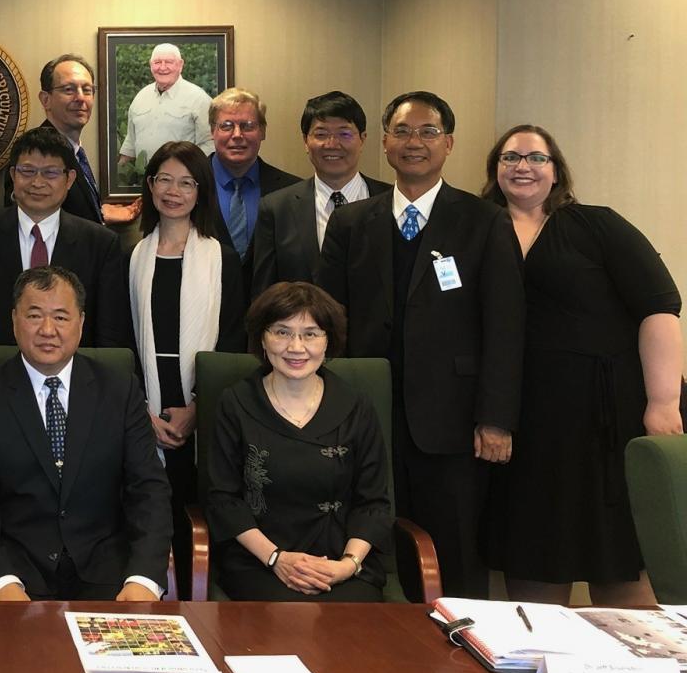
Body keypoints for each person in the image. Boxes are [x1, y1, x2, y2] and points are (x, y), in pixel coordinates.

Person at [315, 90, 522, 599]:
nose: (414, 142)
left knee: (455, 556)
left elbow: (506, 326)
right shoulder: (351, 221)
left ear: (449, 144)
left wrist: (495, 418)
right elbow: (326, 320)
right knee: (365, 544)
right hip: (365, 416)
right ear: (384, 142)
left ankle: (462, 651)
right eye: (402, 131)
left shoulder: (484, 221)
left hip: (452, 423)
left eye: (428, 132)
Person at [480, 125, 683, 606]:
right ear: (494, 171)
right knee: (533, 550)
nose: (522, 166)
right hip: (522, 420)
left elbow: (658, 307)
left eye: (536, 157)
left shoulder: (597, 224)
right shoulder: (476, 229)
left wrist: (663, 401)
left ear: (557, 171)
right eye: (510, 157)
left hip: (607, 417)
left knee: (618, 553)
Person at [0, 266, 171, 601]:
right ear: (14, 321)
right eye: (34, 315)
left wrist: (142, 578)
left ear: (81, 323)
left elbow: (149, 489)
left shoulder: (119, 390)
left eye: (61, 317)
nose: (47, 330)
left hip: (108, 573)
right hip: (16, 573)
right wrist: (1, 581)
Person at [206, 281, 390, 602]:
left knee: (353, 637)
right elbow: (223, 500)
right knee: (284, 626)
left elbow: (373, 502)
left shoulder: (356, 406)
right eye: (282, 332)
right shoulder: (235, 404)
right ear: (262, 338)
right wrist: (277, 559)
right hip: (260, 563)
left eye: (310, 334)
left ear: (327, 341)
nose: (296, 347)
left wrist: (347, 565)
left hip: (341, 563)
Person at [127, 139, 246, 579]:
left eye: (186, 182)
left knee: (199, 512)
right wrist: (141, 411)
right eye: (164, 180)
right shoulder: (134, 257)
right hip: (147, 404)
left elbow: (234, 344)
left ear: (201, 192)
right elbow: (124, 343)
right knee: (153, 509)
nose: (173, 191)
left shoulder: (222, 259)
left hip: (203, 406)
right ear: (151, 186)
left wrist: (199, 407)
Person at [0, 125, 132, 350]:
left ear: (69, 180)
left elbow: (110, 331)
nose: (37, 182)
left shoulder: (100, 244)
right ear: (13, 175)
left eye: (50, 173)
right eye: (27, 171)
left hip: (73, 376)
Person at [251, 91, 391, 297]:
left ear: (362, 139)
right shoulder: (276, 208)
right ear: (306, 141)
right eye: (321, 134)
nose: (332, 144)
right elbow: (264, 294)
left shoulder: (391, 200)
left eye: (345, 134)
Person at [10, 54, 139, 225]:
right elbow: (32, 221)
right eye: (68, 89)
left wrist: (99, 214)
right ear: (46, 100)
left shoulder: (75, 151)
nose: (80, 98)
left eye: (87, 90)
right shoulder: (31, 153)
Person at [207, 87, 301, 274]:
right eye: (226, 126)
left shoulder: (292, 191)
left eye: (248, 126)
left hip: (269, 301)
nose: (237, 135)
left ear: (263, 131)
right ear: (212, 131)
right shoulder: (189, 184)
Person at [116, 43, 214, 172]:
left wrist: (188, 170)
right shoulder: (140, 97)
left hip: (183, 179)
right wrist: (116, 176)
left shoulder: (199, 99)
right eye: (157, 62)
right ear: (150, 65)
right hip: (145, 179)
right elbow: (130, 142)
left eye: (169, 62)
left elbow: (210, 144)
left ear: (180, 65)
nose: (162, 67)